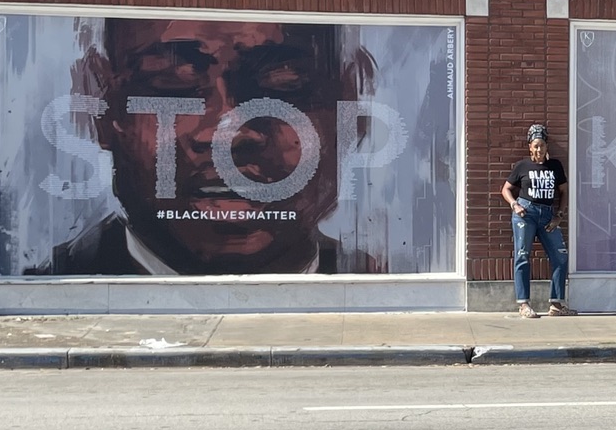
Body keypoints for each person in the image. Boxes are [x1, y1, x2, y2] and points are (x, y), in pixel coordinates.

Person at [26, 18, 380, 275]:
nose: (227, 132)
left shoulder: (377, 279)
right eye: (172, 85)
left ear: (349, 108)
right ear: (104, 109)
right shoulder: (51, 278)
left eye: (284, 85)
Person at [501, 124, 576, 318]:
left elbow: (564, 192)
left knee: (560, 256)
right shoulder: (522, 166)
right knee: (522, 255)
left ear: (546, 146)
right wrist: (514, 205)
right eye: (535, 145)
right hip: (526, 214)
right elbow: (506, 189)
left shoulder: (555, 166)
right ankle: (524, 304)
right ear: (529, 147)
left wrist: (559, 215)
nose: (539, 149)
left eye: (542, 145)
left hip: (547, 216)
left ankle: (556, 305)